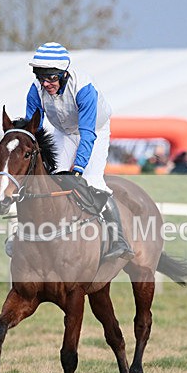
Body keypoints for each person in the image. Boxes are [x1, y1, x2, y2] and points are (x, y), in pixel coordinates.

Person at [25, 42, 133, 261]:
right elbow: (32, 128)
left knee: (92, 183)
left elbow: (87, 134)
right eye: (41, 77)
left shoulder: (84, 89)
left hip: (94, 131)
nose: (46, 83)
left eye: (52, 78)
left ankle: (118, 239)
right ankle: (27, 236)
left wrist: (79, 168)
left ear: (64, 74)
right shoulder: (35, 90)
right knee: (49, 181)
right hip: (63, 132)